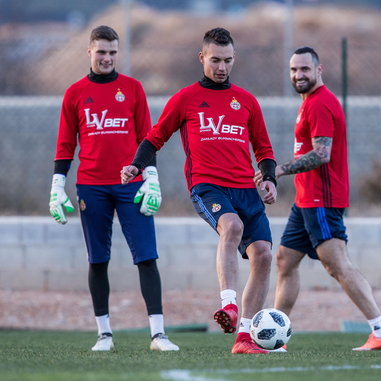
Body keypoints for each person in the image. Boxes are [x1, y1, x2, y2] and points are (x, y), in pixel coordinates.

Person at [120, 27, 278, 354]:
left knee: (263, 254)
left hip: (245, 190)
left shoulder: (246, 101)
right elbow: (155, 137)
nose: (222, 67)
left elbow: (263, 148)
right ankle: (229, 304)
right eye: (216, 60)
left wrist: (269, 179)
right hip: (207, 186)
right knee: (231, 226)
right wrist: (136, 164)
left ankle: (245, 337)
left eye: (228, 61)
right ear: (202, 57)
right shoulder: (186, 98)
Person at [255, 46, 381, 351]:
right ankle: (278, 339)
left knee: (337, 265)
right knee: (285, 261)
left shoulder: (320, 103)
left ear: (319, 71)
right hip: (305, 200)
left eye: (305, 69)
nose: (298, 75)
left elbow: (322, 155)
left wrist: (278, 170)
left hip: (322, 199)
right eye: (294, 70)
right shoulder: (308, 103)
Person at [49, 25, 179, 352]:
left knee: (147, 257)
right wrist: (57, 186)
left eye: (112, 52)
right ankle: (104, 334)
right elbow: (65, 145)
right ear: (89, 52)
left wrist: (152, 179)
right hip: (91, 186)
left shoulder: (133, 89)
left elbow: (146, 138)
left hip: (130, 185)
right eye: (101, 52)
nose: (107, 58)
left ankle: (158, 335)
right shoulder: (75, 93)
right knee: (97, 260)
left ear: (117, 53)